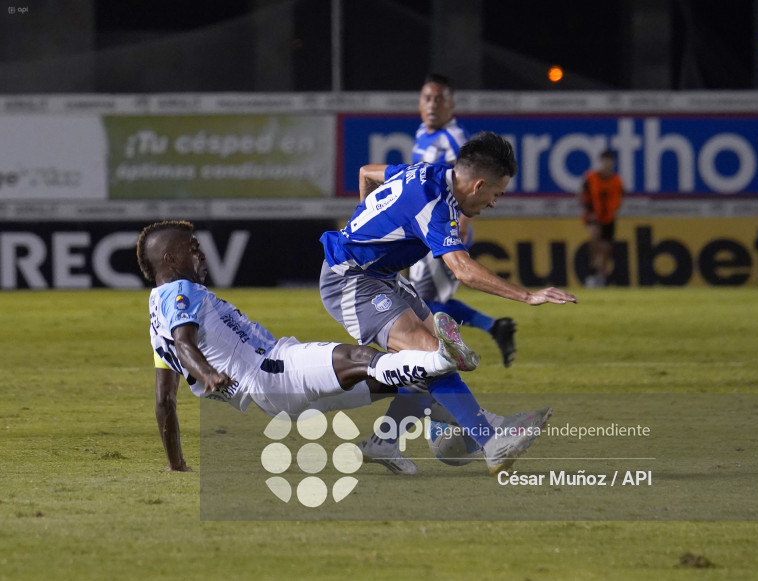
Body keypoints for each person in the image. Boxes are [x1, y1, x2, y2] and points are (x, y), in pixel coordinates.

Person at [319, 132, 577, 475]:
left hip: (384, 276)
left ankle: (385, 441)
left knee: (438, 358)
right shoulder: (434, 204)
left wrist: (366, 216)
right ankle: (491, 441)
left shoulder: (433, 173)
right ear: (478, 184)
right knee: (434, 356)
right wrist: (528, 295)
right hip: (350, 281)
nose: (494, 203)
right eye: (496, 194)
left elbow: (367, 172)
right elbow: (462, 270)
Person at [137, 220, 480, 472]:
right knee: (362, 356)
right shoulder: (177, 292)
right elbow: (185, 345)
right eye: (191, 247)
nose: (200, 251)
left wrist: (176, 464)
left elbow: (163, 400)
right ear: (169, 259)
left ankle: (395, 442)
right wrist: (208, 373)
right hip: (275, 370)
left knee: (405, 380)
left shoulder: (158, 321)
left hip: (275, 398)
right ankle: (441, 359)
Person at [409, 73, 517, 367]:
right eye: (427, 98)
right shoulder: (422, 132)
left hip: (443, 228)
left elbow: (469, 184)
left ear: (451, 105)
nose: (431, 105)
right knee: (427, 301)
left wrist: (457, 231)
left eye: (439, 100)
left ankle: (446, 357)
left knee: (423, 302)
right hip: (426, 228)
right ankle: (494, 327)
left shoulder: (454, 139)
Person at [579, 150, 625, 287]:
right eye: (604, 162)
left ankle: (599, 273)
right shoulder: (591, 178)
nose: (606, 165)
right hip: (593, 215)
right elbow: (583, 195)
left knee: (605, 248)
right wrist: (589, 212)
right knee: (595, 236)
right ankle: (594, 271)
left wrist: (613, 211)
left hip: (609, 218)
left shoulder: (617, 181)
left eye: (609, 162)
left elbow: (619, 198)